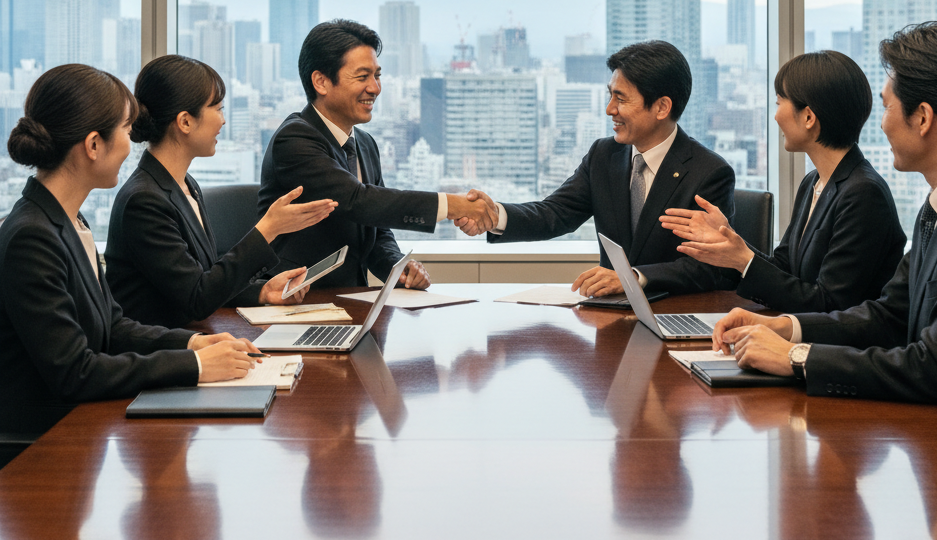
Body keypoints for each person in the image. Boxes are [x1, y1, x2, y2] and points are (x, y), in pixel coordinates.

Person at [712, 22, 937, 451]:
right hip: (932, 437)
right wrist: (786, 328)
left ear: (923, 118)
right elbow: (889, 316)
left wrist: (795, 358)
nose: (880, 125)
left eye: (887, 107)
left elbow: (934, 367)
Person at [0, 64, 263, 447]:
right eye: (125, 130)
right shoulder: (32, 238)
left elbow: (114, 326)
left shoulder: (69, 220)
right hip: (45, 441)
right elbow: (76, 372)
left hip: (83, 424)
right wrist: (195, 366)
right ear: (93, 145)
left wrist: (190, 345)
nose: (131, 143)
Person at [459, 40, 737, 297]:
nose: (609, 109)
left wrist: (634, 277)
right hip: (610, 319)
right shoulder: (604, 155)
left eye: (621, 98)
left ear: (662, 107)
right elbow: (554, 214)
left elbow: (708, 268)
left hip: (674, 317)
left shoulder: (709, 173)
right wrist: (497, 215)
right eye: (610, 96)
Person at [258, 19, 496, 289]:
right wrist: (452, 205)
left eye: (377, 75)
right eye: (362, 77)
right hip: (295, 302)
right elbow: (359, 202)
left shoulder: (365, 144)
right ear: (321, 82)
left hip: (352, 303)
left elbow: (376, 226)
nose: (375, 88)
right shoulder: (294, 139)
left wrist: (397, 268)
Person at [659, 50, 905, 311]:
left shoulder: (863, 193)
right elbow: (784, 269)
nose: (775, 116)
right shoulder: (813, 182)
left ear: (808, 117)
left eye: (779, 103)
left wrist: (743, 260)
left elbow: (830, 303)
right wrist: (729, 242)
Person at [104, 55, 338, 328]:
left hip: (193, 339)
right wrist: (268, 228)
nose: (223, 121)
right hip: (160, 353)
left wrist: (263, 291)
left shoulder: (185, 184)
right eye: (217, 108)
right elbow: (197, 298)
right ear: (185, 122)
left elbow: (202, 277)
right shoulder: (144, 200)